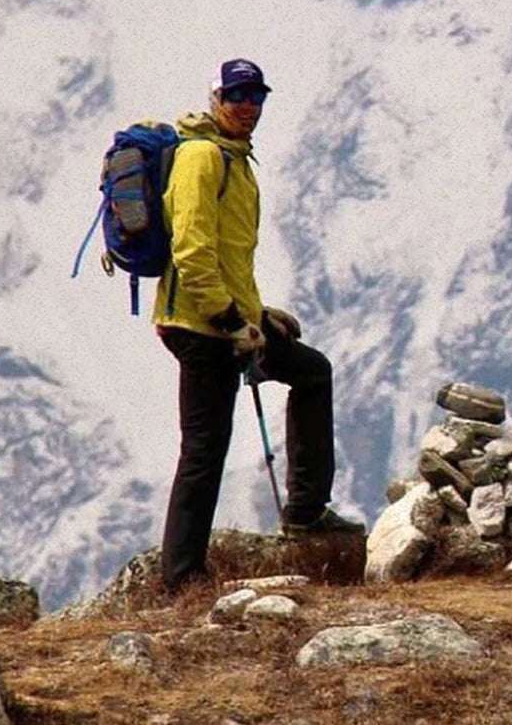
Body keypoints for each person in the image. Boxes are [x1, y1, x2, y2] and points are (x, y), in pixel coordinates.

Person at [153, 58, 364, 593]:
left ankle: (307, 509)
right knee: (204, 448)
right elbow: (193, 252)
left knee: (311, 371)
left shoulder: (235, 160)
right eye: (237, 95)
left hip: (229, 320)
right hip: (201, 327)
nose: (248, 106)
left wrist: (258, 314)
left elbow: (231, 258)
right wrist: (230, 320)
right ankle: (182, 578)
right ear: (215, 97)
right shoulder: (202, 158)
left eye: (256, 96)